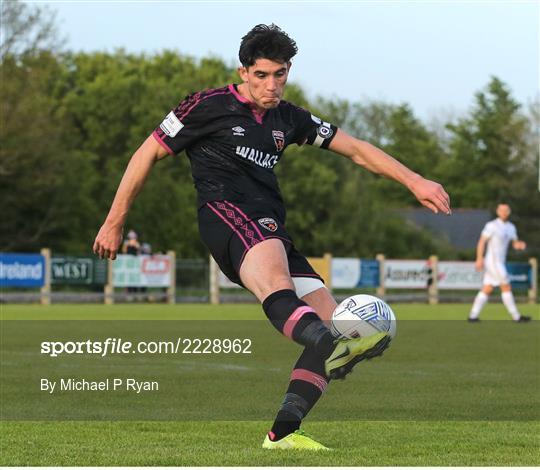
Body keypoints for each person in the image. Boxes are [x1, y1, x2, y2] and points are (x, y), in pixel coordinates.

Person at [93, 24, 451, 450]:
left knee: (334, 337)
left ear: (288, 71)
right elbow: (147, 151)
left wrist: (414, 181)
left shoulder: (289, 118)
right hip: (225, 215)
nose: (271, 84)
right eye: (261, 75)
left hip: (270, 228)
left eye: (279, 74)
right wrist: (115, 220)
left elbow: (355, 148)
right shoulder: (207, 105)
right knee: (310, 325)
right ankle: (314, 348)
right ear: (243, 71)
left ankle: (282, 435)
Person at [468, 203, 530, 323]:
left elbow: (514, 244)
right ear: (497, 211)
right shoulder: (492, 225)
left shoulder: (511, 227)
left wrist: (520, 245)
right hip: (493, 261)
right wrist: (479, 258)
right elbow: (482, 242)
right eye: (501, 210)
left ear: (509, 211)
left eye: (506, 210)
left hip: (500, 261)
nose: (504, 212)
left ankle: (473, 316)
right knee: (506, 286)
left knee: (487, 288)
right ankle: (516, 317)